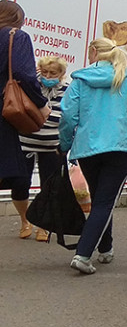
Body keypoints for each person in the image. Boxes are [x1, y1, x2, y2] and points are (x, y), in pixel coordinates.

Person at [59, 37, 127, 274]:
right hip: (120, 149)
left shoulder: (80, 80)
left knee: (99, 200)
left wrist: (65, 144)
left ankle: (106, 249)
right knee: (105, 202)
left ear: (94, 52)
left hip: (87, 150)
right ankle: (83, 255)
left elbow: (67, 117)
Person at [0, 0, 49, 239]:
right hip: (4, 114)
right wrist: (41, 104)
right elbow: (23, 74)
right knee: (11, 171)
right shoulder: (15, 37)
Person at [16, 55, 70, 242]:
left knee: (49, 187)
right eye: (44, 71)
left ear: (62, 74)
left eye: (53, 73)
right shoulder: (31, 87)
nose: (48, 75)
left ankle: (43, 225)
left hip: (52, 146)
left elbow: (70, 117)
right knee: (20, 184)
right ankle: (25, 221)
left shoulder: (68, 90)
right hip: (24, 143)